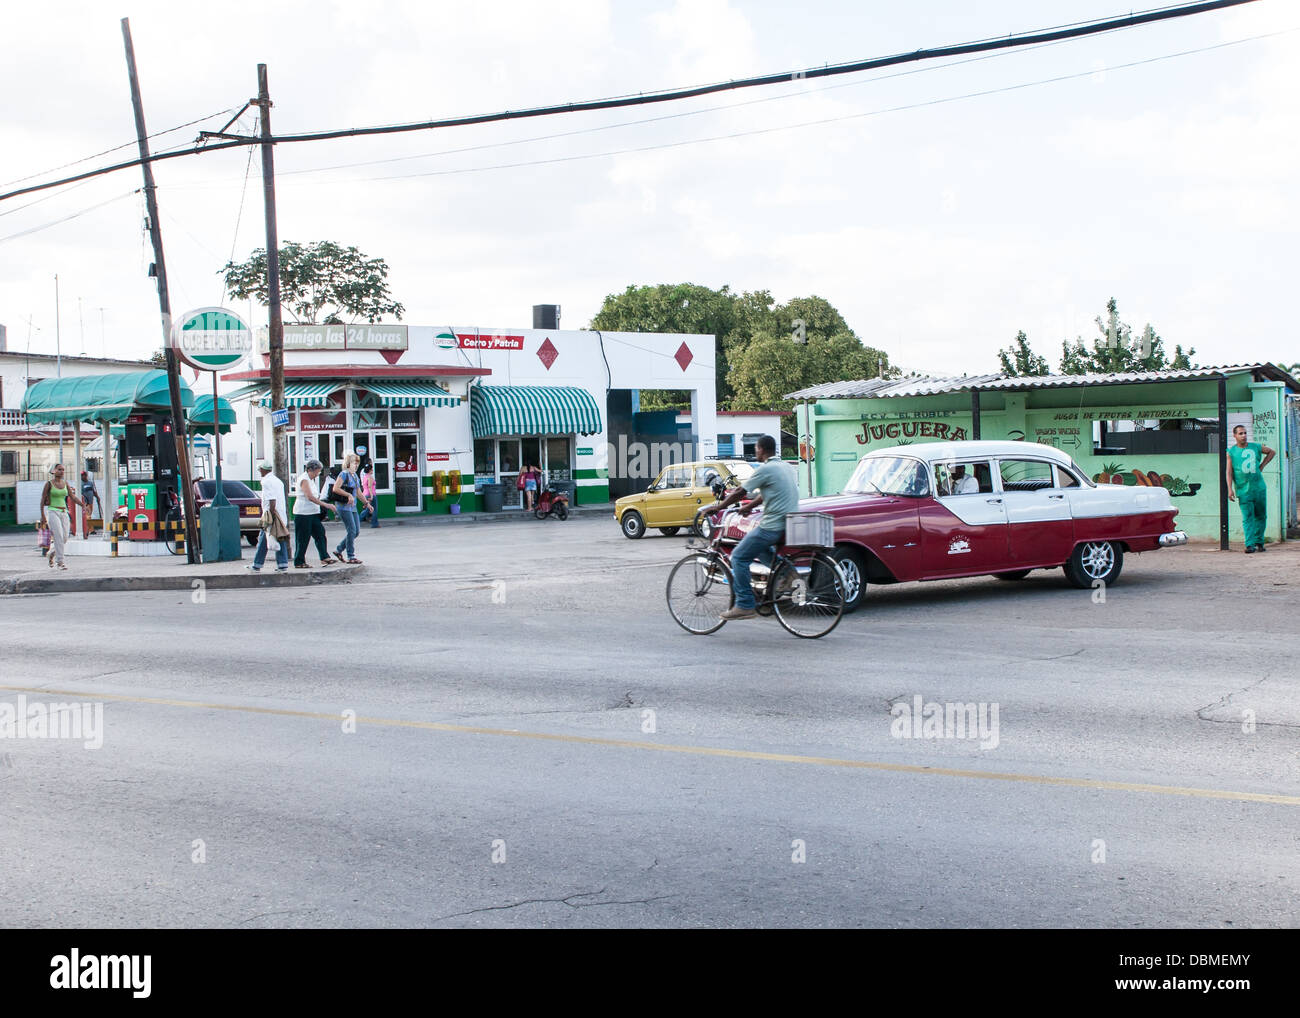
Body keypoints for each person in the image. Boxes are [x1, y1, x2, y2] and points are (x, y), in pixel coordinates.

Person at [710, 435, 800, 621]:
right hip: (789, 522)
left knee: (739, 557)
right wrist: (748, 507)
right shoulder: (785, 467)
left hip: (773, 525)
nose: (755, 451)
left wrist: (719, 507)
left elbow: (740, 491)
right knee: (760, 548)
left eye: (756, 448)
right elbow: (768, 492)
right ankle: (787, 572)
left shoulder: (765, 469)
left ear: (762, 449)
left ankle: (744, 604)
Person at [1226, 424, 1275, 553]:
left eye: (1245, 433)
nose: (1244, 436)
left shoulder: (1256, 447)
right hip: (1243, 490)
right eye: (1240, 433)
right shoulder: (1231, 452)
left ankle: (1259, 542)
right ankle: (1250, 545)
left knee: (1261, 516)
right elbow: (1229, 472)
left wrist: (1262, 465)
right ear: (1235, 436)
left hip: (1258, 488)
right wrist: (1229, 489)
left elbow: (1271, 452)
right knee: (1247, 517)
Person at [39, 464, 86, 571]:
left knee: (64, 537)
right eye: (59, 469)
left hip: (64, 512)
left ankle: (51, 552)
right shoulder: (49, 484)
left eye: (63, 470)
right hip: (52, 512)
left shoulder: (65, 483)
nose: (61, 471)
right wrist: (42, 515)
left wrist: (82, 504)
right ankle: (60, 562)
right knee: (59, 537)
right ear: (54, 471)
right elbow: (42, 500)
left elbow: (72, 497)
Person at [292, 459, 337, 569]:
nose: (318, 473)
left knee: (320, 533)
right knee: (303, 538)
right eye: (317, 471)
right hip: (303, 513)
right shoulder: (304, 479)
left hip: (312, 513)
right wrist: (326, 505)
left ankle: (324, 557)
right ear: (310, 470)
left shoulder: (311, 480)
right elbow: (310, 497)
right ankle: (299, 561)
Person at [247, 462, 289, 572]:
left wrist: (271, 515)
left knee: (264, 538)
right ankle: (281, 564)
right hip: (280, 513)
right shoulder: (278, 481)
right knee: (278, 536)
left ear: (263, 470)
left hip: (271, 514)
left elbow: (272, 499)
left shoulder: (266, 482)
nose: (259, 472)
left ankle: (257, 564)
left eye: (260, 470)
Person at [331, 452, 370, 564]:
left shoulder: (355, 476)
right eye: (354, 462)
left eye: (357, 463)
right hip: (343, 507)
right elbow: (335, 488)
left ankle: (339, 550)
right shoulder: (344, 474)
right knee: (351, 530)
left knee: (356, 531)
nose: (356, 465)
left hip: (352, 507)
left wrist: (367, 503)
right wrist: (348, 495)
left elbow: (358, 492)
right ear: (348, 463)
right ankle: (351, 556)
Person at [80, 470, 102, 535]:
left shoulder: (90, 483)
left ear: (86, 476)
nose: (82, 476)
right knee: (88, 516)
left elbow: (93, 491)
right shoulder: (80, 484)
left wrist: (97, 497)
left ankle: (88, 529)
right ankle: (91, 530)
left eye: (83, 475)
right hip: (85, 503)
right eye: (81, 475)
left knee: (89, 516)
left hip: (91, 502)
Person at [360, 463, 380, 528]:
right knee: (374, 509)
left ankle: (357, 520)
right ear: (370, 470)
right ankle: (374, 524)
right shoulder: (370, 477)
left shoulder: (365, 477)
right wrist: (371, 496)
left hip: (365, 494)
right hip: (371, 494)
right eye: (372, 469)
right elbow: (370, 487)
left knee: (368, 509)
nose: (372, 471)